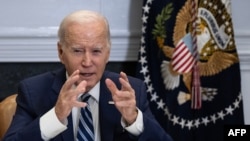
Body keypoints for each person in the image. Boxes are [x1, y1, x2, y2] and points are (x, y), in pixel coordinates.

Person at [3, 10, 173, 141]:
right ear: (61, 52)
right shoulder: (34, 91)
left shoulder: (132, 90)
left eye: (96, 51)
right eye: (77, 51)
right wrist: (55, 116)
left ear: (107, 53)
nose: (87, 61)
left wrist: (134, 120)